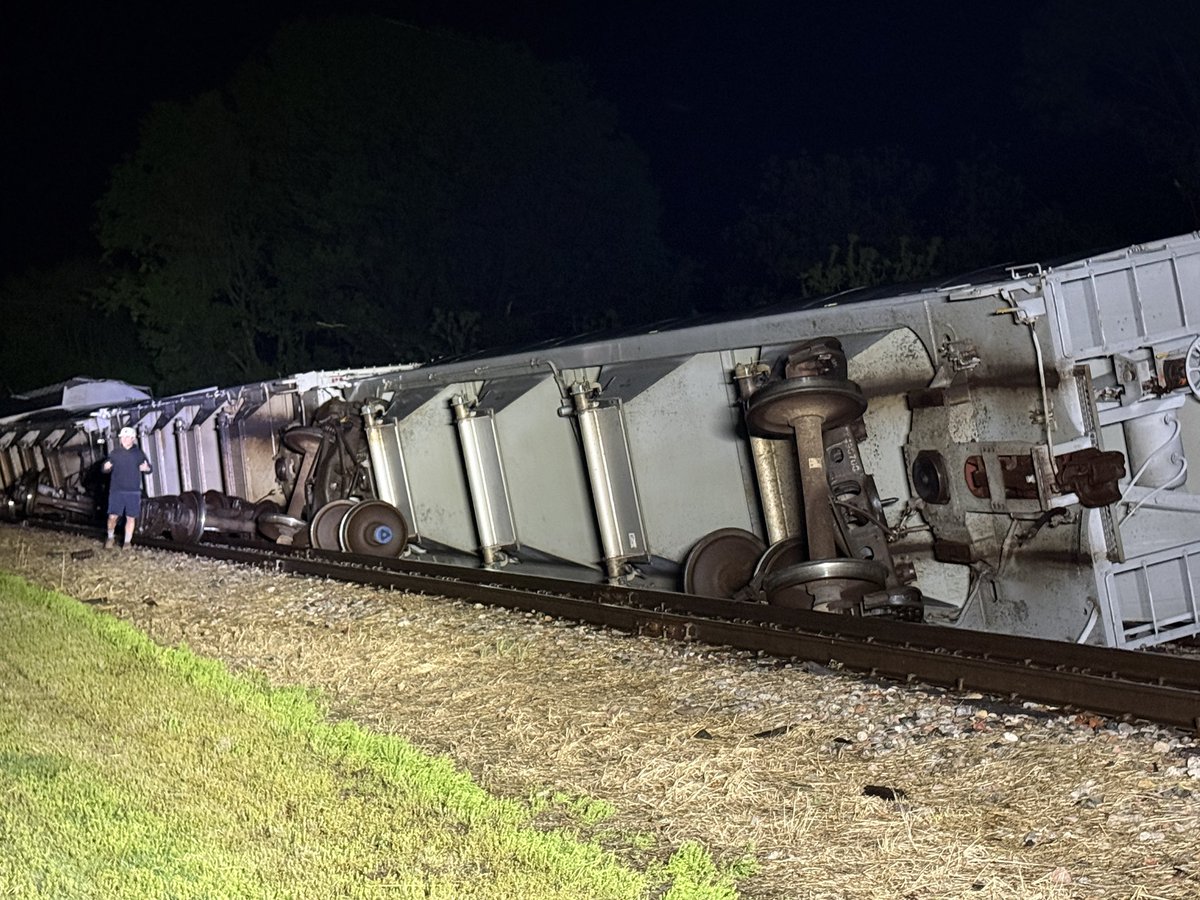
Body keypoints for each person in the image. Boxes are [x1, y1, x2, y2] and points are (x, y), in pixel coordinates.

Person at [101, 426, 152, 549]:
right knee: (112, 517)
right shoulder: (115, 453)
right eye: (122, 437)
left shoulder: (138, 454)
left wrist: (147, 468)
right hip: (116, 491)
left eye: (127, 437)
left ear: (133, 439)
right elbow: (104, 468)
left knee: (130, 517)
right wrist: (105, 467)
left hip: (133, 492)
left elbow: (149, 468)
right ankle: (110, 537)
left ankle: (127, 542)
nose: (124, 439)